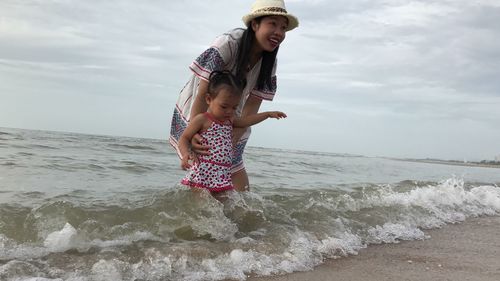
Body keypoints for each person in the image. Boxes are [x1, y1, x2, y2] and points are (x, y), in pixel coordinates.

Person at [170, 0, 299, 191]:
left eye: (283, 27)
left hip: (232, 115)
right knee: (201, 171)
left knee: (235, 176)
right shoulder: (229, 43)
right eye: (272, 23)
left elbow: (252, 106)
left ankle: (238, 217)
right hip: (201, 108)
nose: (279, 33)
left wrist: (230, 142)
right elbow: (202, 93)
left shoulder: (269, 62)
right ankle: (198, 217)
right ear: (255, 24)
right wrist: (197, 132)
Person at [178, 71, 286, 194]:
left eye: (234, 107)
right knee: (203, 207)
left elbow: (247, 121)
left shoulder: (230, 121)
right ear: (209, 99)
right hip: (202, 173)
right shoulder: (202, 119)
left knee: (224, 208)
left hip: (222, 174)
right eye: (224, 106)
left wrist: (267, 114)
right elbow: (184, 138)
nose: (229, 111)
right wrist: (185, 154)